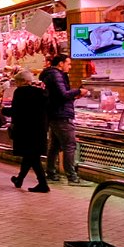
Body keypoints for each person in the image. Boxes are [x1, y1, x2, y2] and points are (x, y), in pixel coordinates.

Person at [40, 54, 89, 186]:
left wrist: (73, 96)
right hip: (61, 115)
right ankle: (72, 177)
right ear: (61, 63)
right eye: (68, 63)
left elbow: (58, 95)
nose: (70, 66)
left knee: (54, 146)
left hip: (54, 114)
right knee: (70, 145)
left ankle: (51, 173)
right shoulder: (56, 75)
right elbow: (63, 94)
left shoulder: (50, 74)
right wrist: (78, 91)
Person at [6, 70, 50, 193]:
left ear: (23, 81)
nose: (16, 84)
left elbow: (16, 111)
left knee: (32, 157)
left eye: (17, 81)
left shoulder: (20, 92)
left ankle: (43, 184)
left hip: (25, 129)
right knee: (30, 155)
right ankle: (19, 179)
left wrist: (2, 110)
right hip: (39, 129)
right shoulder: (41, 92)